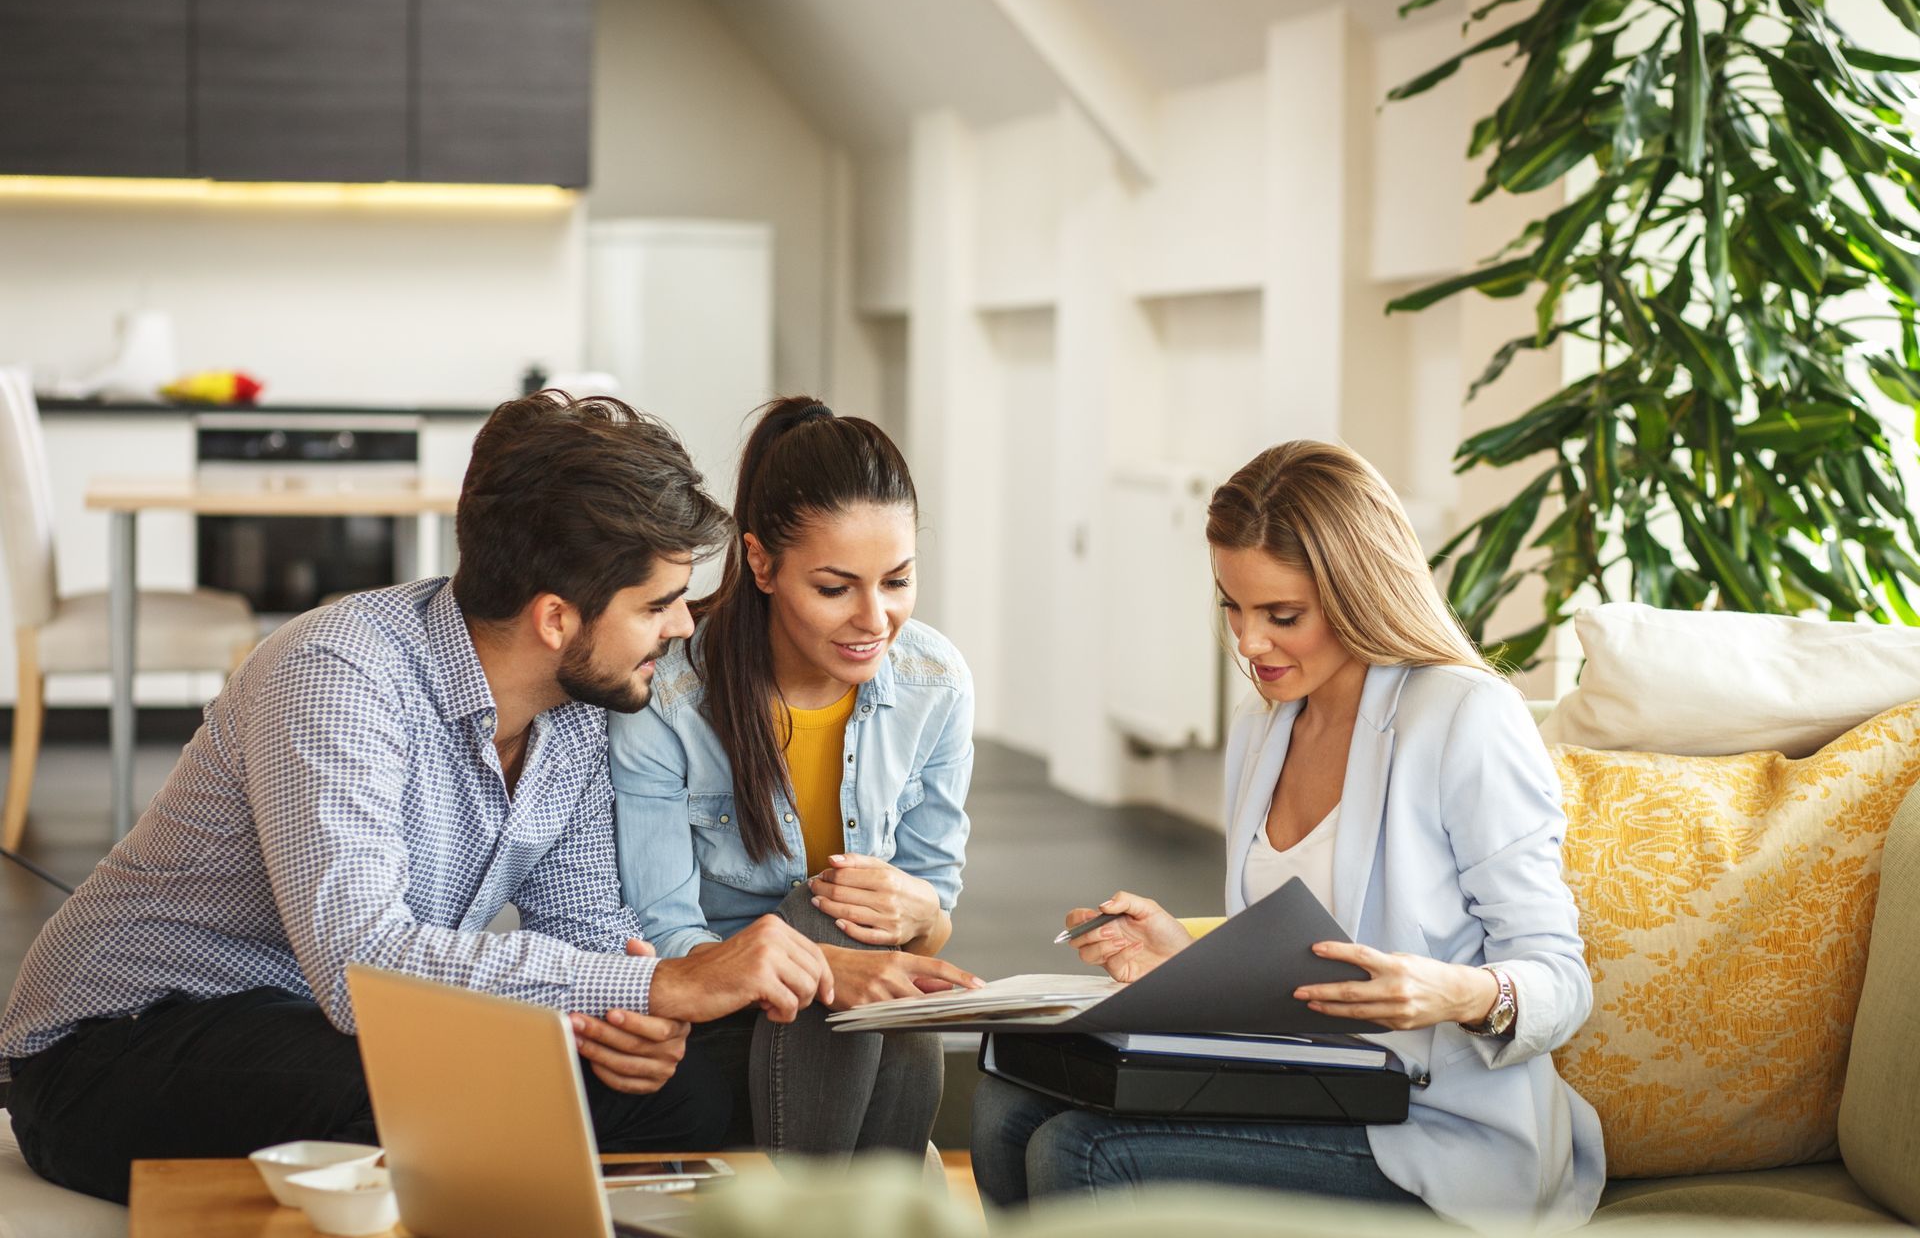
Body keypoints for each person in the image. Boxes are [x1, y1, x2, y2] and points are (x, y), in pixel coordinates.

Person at [0, 393, 838, 1204]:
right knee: (439, 1095)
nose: (685, 627)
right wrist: (661, 989)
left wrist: (629, 1022)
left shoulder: (579, 712)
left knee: (684, 1097)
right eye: (658, 605)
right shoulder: (338, 673)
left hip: (327, 1030)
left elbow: (585, 938)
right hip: (116, 1044)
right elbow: (358, 964)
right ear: (555, 618)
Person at [971, 441, 1604, 1229]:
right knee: (1005, 1106)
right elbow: (1300, 954)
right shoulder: (1264, 727)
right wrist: (1184, 954)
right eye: (1232, 606)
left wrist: (1457, 993)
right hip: (1309, 1089)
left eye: (1282, 616)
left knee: (1083, 1150)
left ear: (1359, 593)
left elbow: (1561, 981)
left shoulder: (1464, 717)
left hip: (1438, 1131)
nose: (1247, 642)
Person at [610, 397, 978, 1159]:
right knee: (819, 917)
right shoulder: (671, 696)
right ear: (761, 563)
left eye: (898, 581)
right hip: (721, 1012)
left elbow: (932, 915)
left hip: (859, 1015)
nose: (875, 619)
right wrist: (823, 965)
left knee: (885, 991)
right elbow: (664, 934)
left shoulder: (935, 682)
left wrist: (917, 911)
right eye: (836, 588)